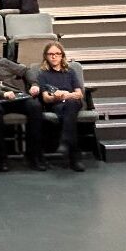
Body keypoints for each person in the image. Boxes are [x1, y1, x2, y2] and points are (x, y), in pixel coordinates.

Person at [0, 37, 48, 171]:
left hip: (17, 97)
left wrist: (34, 84)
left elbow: (25, 70)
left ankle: (34, 155)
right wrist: (1, 94)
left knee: (35, 106)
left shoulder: (2, 62)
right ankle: (2, 157)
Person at [36, 42, 87, 171]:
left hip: (73, 102)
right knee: (69, 117)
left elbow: (79, 94)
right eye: (51, 54)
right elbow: (46, 98)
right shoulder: (43, 74)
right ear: (46, 56)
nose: (54, 57)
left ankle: (64, 141)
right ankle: (75, 157)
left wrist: (67, 95)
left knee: (70, 105)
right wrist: (57, 97)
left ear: (62, 56)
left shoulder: (70, 72)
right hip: (57, 104)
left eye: (57, 54)